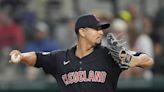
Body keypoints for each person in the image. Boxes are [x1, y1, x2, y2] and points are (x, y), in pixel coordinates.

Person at [9, 13, 154, 92]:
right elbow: (37, 57)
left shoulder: (110, 55)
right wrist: (20, 56)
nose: (101, 32)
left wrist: (132, 60)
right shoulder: (61, 58)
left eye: (101, 29)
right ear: (82, 32)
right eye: (96, 29)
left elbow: (148, 60)